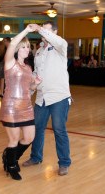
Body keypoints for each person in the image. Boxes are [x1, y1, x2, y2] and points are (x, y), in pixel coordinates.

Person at [22, 21, 72, 176]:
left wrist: (40, 29)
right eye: (41, 32)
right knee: (37, 129)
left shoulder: (60, 48)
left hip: (59, 98)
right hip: (41, 98)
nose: (42, 34)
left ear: (54, 32)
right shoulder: (38, 52)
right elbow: (37, 75)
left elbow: (60, 41)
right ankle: (36, 157)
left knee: (59, 130)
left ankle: (64, 163)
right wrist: (29, 94)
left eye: (46, 31)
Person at [1, 25, 42, 181]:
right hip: (11, 107)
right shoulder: (10, 63)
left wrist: (36, 84)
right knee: (13, 139)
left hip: (26, 106)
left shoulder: (28, 67)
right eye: (24, 47)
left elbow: (29, 87)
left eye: (28, 47)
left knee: (30, 137)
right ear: (18, 49)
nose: (28, 50)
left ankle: (10, 157)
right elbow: (11, 44)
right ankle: (11, 166)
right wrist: (26, 31)